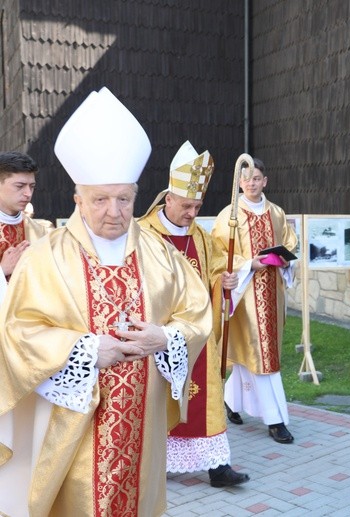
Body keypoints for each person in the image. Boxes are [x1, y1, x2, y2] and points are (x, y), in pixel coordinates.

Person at [0, 87, 212, 516]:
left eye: (124, 199)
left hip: (143, 422)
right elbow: (18, 331)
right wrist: (85, 349)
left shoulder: (162, 255)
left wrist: (167, 338)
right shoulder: (45, 257)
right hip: (70, 421)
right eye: (100, 199)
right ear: (78, 199)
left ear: (137, 197)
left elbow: (197, 314)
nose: (114, 211)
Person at [139, 140, 251, 487]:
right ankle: (156, 464)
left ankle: (217, 467)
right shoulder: (142, 234)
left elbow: (216, 273)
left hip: (198, 337)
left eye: (198, 206)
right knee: (159, 397)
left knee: (206, 394)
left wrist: (225, 280)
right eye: (186, 205)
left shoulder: (202, 237)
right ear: (167, 198)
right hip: (160, 336)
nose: (191, 213)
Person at [211, 157, 298, 444]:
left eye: (257, 178)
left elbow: (289, 245)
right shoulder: (229, 216)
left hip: (273, 294)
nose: (251, 183)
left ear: (265, 181)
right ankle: (275, 420)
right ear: (239, 182)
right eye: (246, 178)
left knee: (254, 353)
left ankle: (232, 402)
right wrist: (249, 264)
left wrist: (285, 262)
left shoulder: (277, 212)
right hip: (246, 295)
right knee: (258, 353)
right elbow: (218, 253)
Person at [0, 151, 50, 299]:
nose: (28, 193)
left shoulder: (39, 232)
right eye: (20, 186)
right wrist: (3, 269)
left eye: (32, 186)